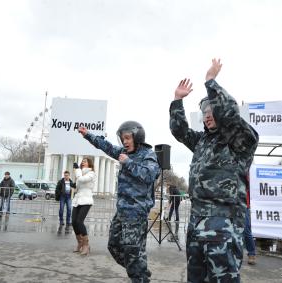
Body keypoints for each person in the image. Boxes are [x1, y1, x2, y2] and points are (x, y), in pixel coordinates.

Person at [169, 58, 259, 282]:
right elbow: (180, 132)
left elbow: (230, 116)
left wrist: (211, 82)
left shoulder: (240, 141)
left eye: (211, 109)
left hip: (224, 226)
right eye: (204, 111)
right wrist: (177, 101)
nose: (207, 114)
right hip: (197, 224)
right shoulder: (202, 141)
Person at [78, 121, 160, 283]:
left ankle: (139, 276)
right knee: (114, 246)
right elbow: (106, 146)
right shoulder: (123, 152)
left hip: (136, 213)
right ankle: (139, 270)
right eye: (123, 139)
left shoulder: (148, 155)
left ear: (137, 137)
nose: (125, 142)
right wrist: (88, 135)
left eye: (128, 138)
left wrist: (128, 163)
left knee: (132, 251)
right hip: (121, 212)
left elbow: (150, 175)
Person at [72, 158, 96, 255]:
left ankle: (86, 245)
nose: (82, 163)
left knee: (79, 221)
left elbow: (82, 180)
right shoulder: (80, 173)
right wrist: (73, 185)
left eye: (85, 161)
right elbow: (78, 184)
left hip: (86, 199)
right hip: (78, 199)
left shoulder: (91, 173)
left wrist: (77, 170)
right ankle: (80, 243)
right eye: (82, 162)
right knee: (73, 222)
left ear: (89, 164)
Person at [244, 175, 256, 265]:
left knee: (246, 231)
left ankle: (251, 254)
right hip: (230, 205)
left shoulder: (246, 171)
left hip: (244, 205)